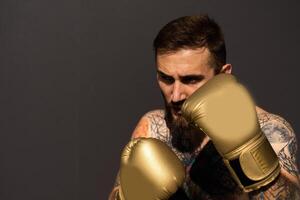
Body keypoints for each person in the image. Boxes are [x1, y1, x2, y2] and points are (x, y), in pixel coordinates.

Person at [109, 15, 300, 199]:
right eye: (166, 79)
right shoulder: (153, 128)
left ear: (223, 76)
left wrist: (248, 147)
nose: (176, 96)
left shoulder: (270, 129)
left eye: (190, 80)